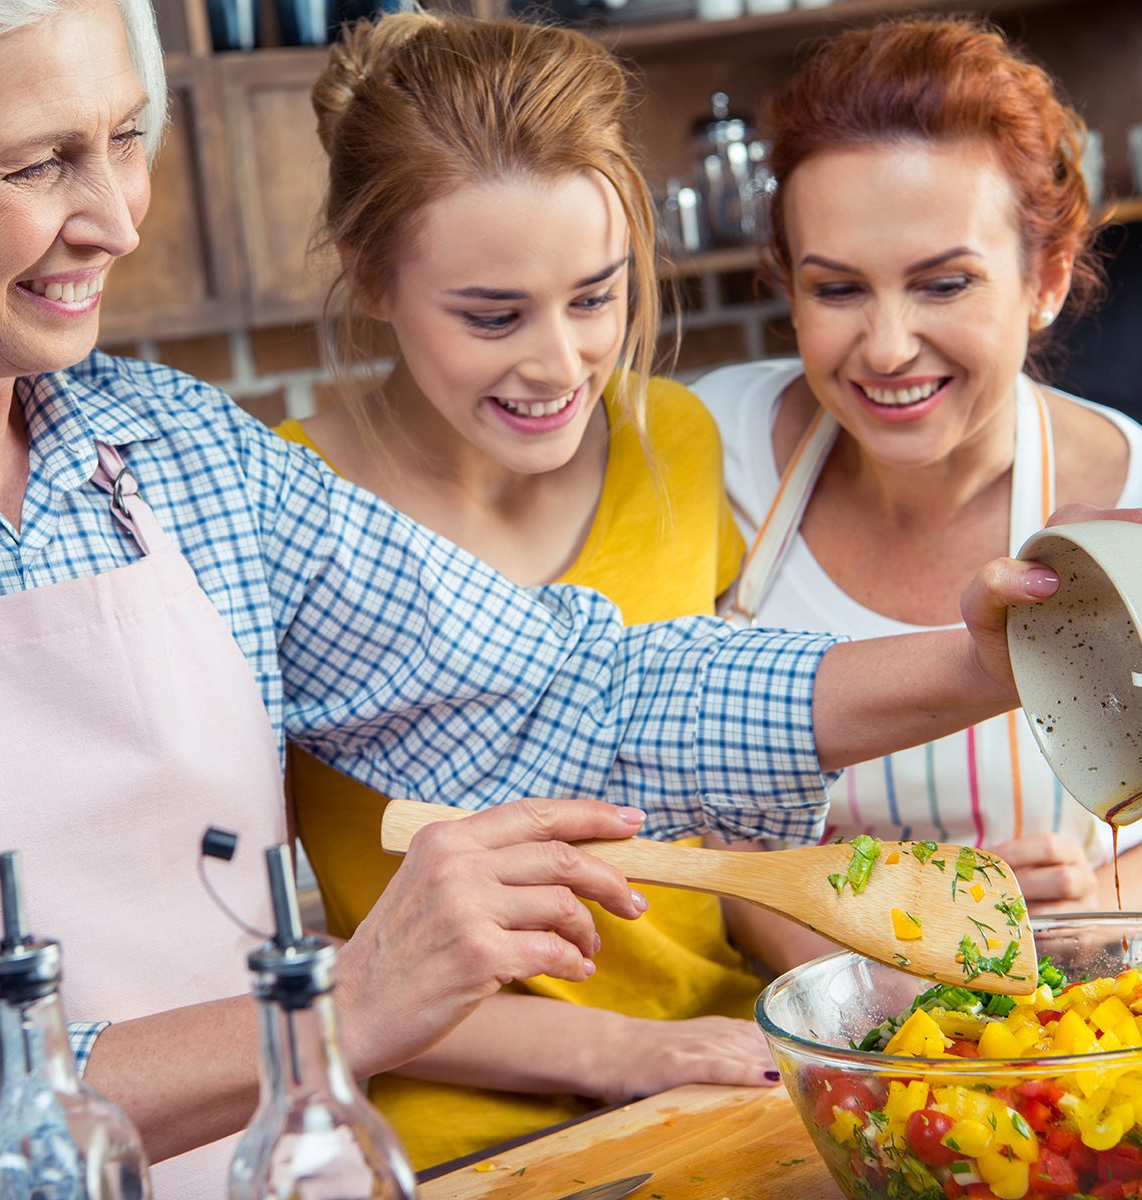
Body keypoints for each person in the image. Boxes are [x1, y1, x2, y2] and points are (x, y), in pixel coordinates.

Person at [0, 1, 1138, 1195]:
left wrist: (982, 661)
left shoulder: (172, 451)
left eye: (124, 141)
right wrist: (366, 997)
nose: (118, 220)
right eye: (37, 160)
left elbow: (584, 696)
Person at [275, 11, 773, 1168]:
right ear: (369, 276)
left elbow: (729, 826)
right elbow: (284, 971)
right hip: (456, 1140)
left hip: (732, 1069)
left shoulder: (680, 443)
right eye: (493, 316)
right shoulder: (278, 508)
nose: (559, 365)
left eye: (595, 298)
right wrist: (624, 1054)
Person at [694, 16, 1142, 977]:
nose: (885, 347)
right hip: (809, 1033)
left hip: (1078, 1022)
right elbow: (688, 817)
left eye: (942, 283)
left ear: (1046, 277)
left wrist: (1070, 922)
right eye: (837, 292)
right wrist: (883, 944)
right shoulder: (709, 453)